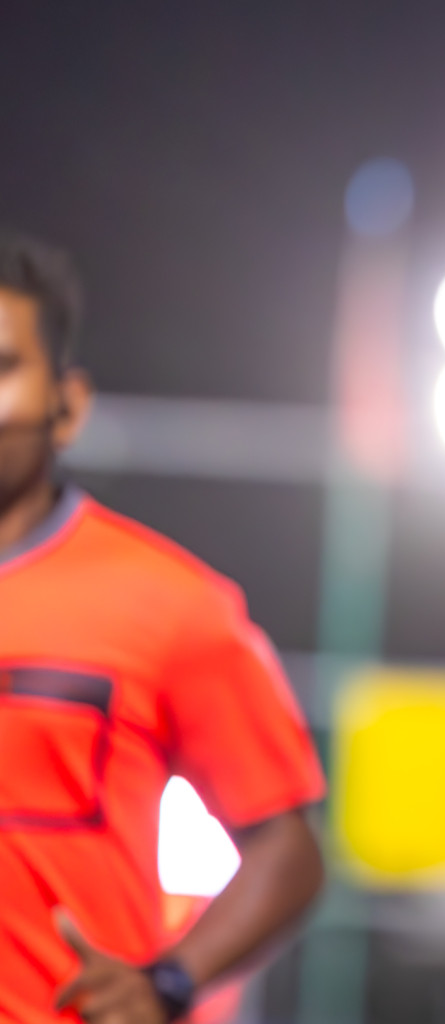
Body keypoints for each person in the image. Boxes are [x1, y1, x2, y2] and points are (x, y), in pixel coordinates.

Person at [0, 230, 326, 1024]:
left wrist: (168, 982)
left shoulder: (169, 603)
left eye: (4, 367)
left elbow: (288, 853)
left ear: (66, 404)